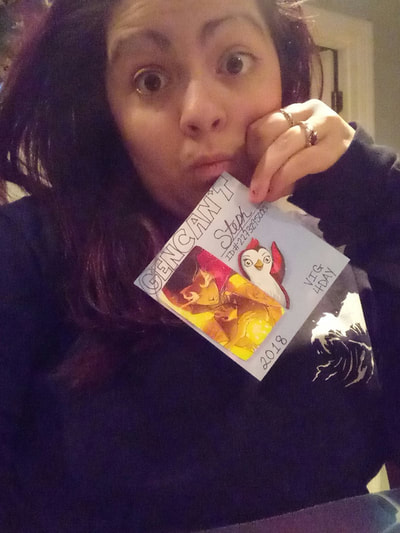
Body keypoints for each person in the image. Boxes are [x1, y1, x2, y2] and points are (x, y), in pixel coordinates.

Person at [0, 0, 399, 531]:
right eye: (149, 80)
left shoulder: (347, 242)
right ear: (107, 107)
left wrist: (378, 195)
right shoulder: (26, 251)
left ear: (281, 70)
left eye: (234, 62)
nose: (200, 110)